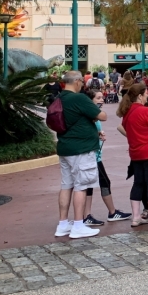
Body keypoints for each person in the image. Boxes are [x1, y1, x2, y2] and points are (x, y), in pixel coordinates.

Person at [54, 70, 107, 239]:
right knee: (81, 186)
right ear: (77, 81)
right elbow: (102, 116)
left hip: (65, 148)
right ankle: (78, 224)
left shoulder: (59, 98)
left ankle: (63, 224)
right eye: (81, 82)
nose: (83, 85)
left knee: (66, 185)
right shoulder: (79, 98)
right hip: (81, 149)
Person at [116, 83, 148, 228]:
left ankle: (136, 217)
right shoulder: (145, 111)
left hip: (135, 152)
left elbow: (124, 128)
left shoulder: (127, 112)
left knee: (138, 183)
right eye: (146, 94)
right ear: (140, 96)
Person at [81, 89, 132, 225]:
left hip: (94, 154)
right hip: (92, 156)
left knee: (90, 185)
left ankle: (88, 215)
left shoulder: (92, 115)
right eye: (98, 98)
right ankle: (111, 212)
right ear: (90, 100)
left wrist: (98, 134)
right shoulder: (91, 115)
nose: (101, 100)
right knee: (103, 183)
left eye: (101, 97)